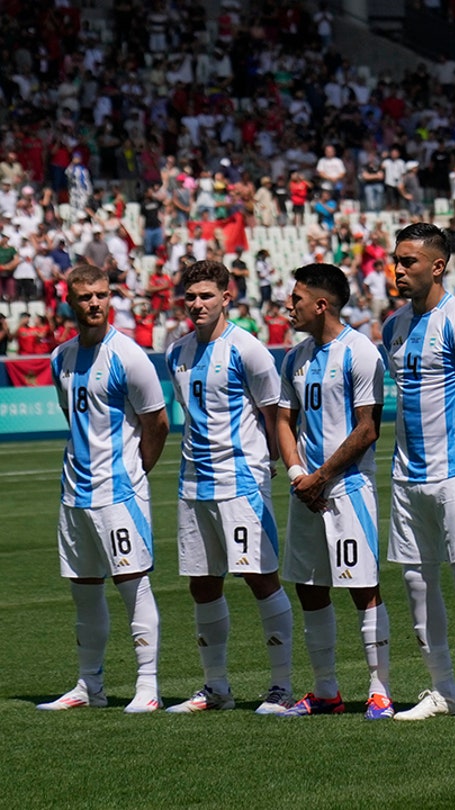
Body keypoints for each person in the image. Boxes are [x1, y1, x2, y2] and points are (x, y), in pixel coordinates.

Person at [381, 222, 455, 722]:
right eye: (396, 259)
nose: (398, 269)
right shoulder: (393, 327)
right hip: (407, 476)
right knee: (416, 582)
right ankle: (441, 688)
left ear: (438, 265)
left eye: (409, 261)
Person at [165, 260, 296, 714]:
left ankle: (281, 686)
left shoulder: (248, 349)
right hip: (193, 482)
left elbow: (274, 411)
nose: (198, 303)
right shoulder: (176, 352)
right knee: (202, 584)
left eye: (207, 295)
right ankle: (216, 687)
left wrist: (268, 464)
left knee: (260, 578)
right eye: (191, 296)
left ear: (227, 297)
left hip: (239, 481)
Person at [38, 263, 169, 713]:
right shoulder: (61, 358)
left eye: (101, 295)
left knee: (134, 586)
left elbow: (158, 422)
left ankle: (147, 686)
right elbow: (72, 418)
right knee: (85, 590)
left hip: (119, 495)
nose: (95, 303)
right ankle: (89, 686)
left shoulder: (128, 356)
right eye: (86, 297)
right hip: (74, 493)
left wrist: (136, 472)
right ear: (70, 302)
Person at [271, 264, 393, 719]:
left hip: (348, 489)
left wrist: (320, 476)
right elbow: (284, 420)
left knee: (362, 586)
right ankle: (326, 691)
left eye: (297, 299)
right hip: (307, 488)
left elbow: (367, 430)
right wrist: (298, 473)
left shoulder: (360, 352)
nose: (289, 306)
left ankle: (379, 691)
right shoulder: (294, 357)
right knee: (309, 586)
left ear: (322, 304)